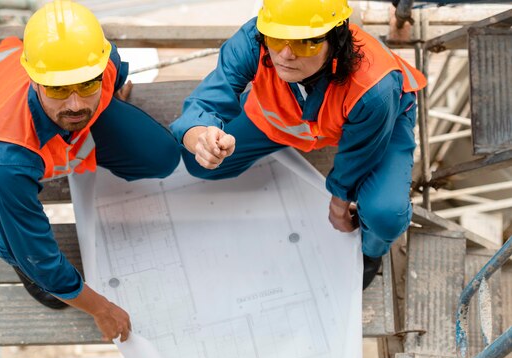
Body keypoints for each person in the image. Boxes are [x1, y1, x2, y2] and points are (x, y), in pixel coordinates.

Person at [0, 0, 180, 341]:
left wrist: (105, 93)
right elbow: (42, 258)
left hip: (2, 74)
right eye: (59, 88)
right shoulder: (8, 159)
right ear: (34, 80)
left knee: (160, 156)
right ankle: (29, 271)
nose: (76, 104)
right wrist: (100, 308)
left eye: (87, 84)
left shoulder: (97, 63)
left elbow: (106, 77)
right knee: (12, 242)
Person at [170, 0, 426, 289]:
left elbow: (361, 152)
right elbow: (206, 99)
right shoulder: (254, 39)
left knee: (384, 214)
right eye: (277, 39)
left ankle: (371, 252)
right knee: (198, 164)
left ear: (336, 39)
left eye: (305, 43)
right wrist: (202, 136)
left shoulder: (375, 86)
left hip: (380, 123)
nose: (286, 55)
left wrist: (340, 200)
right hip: (280, 117)